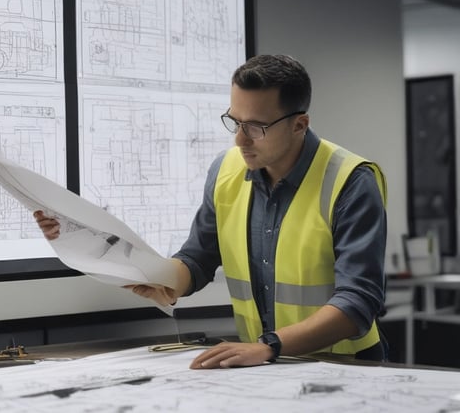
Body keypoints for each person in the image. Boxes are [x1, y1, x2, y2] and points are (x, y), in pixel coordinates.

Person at [34, 54, 388, 368]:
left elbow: (358, 301)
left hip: (346, 366)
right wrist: (150, 274)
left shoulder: (350, 182)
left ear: (299, 125)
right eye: (235, 122)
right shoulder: (226, 170)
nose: (240, 139)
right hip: (268, 366)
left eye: (256, 127)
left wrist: (268, 347)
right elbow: (198, 259)